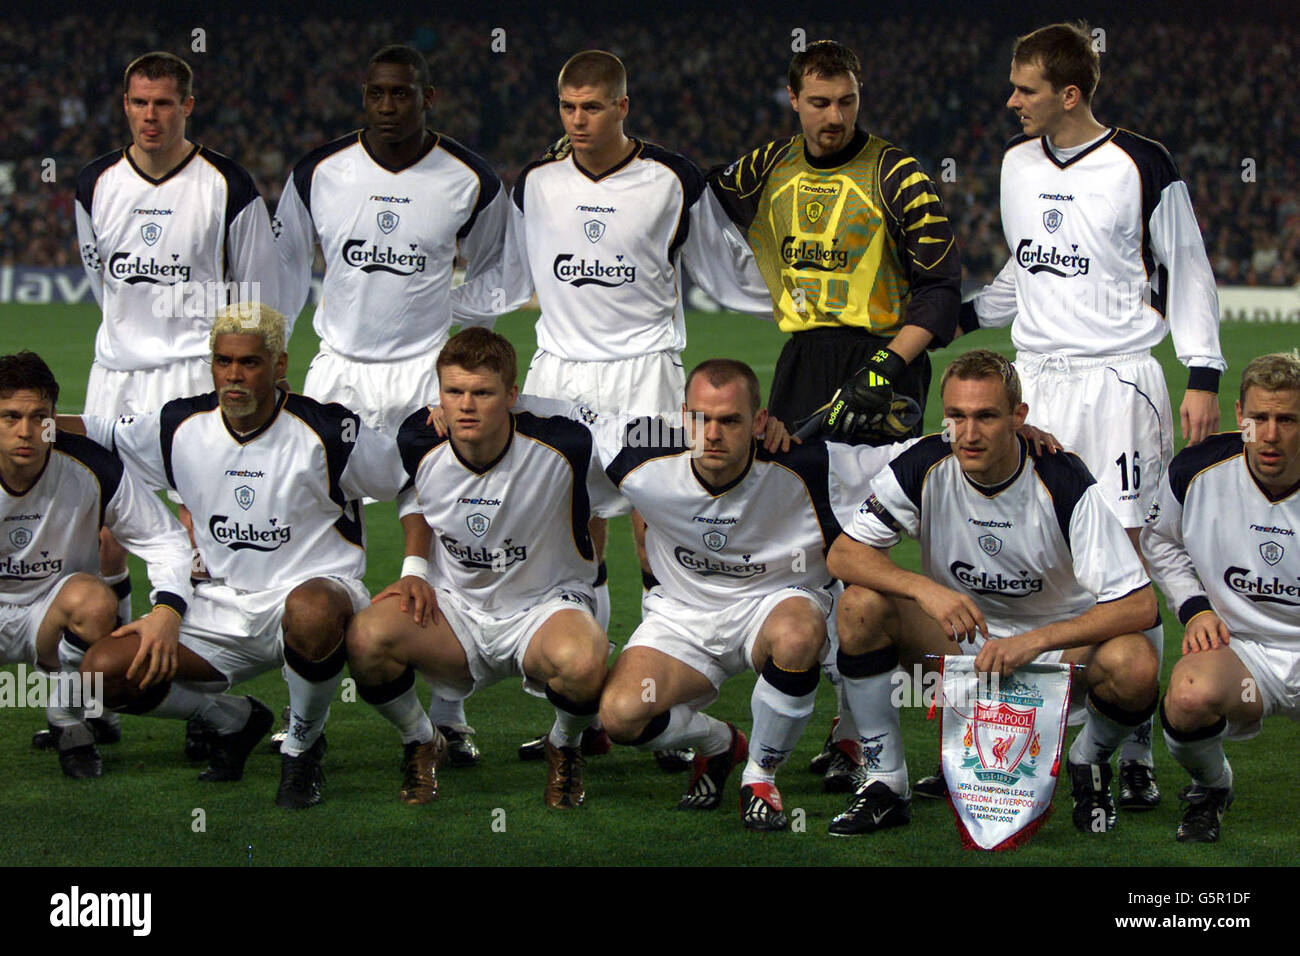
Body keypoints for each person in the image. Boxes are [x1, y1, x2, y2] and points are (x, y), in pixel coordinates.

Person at [450, 49, 769, 769]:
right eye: (567, 108)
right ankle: (580, 709)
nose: (578, 121)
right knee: (569, 535)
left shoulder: (673, 180)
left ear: (623, 107)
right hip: (559, 372)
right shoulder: (535, 182)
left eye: (592, 107)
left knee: (659, 531)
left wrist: (806, 306)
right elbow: (505, 279)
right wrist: (427, 304)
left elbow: (726, 270)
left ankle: (665, 690)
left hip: (646, 374)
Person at [960, 21, 1226, 807]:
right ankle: (1050, 713)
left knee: (1127, 560)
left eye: (1026, 89)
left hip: (1117, 384)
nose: (1011, 102)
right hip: (1035, 381)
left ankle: (1132, 746)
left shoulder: (1143, 164)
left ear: (1069, 94)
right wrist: (956, 314)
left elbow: (1189, 269)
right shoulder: (1013, 164)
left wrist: (1202, 373)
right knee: (1045, 544)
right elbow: (1023, 270)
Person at [705, 39, 961, 783]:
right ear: (794, 100)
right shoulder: (767, 166)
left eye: (846, 101)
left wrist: (887, 367)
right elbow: (696, 191)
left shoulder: (896, 171)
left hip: (884, 366)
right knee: (808, 553)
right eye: (819, 102)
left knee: (866, 562)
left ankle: (859, 737)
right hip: (800, 366)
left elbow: (941, 288)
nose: (834, 116)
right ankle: (830, 725)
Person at [69, 303, 408, 809]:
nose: (234, 375)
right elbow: (97, 431)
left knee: (312, 608)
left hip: (315, 597)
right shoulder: (179, 424)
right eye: (223, 361)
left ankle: (302, 746)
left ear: (279, 365)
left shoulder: (329, 432)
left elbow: (409, 477)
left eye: (249, 362)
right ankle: (235, 720)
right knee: (105, 671)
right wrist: (30, 424)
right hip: (221, 606)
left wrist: (417, 568)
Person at [274, 44, 509, 766]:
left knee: (441, 529)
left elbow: (502, 271)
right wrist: (279, 356)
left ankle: (450, 713)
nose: (387, 105)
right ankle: (303, 712)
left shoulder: (470, 178)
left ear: (425, 96)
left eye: (401, 94)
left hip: (420, 375)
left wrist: (451, 331)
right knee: (311, 521)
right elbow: (284, 266)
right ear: (363, 95)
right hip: (337, 369)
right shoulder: (319, 172)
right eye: (376, 93)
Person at [826, 350, 1160, 835]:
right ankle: (883, 782)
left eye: (986, 416)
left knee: (1136, 664)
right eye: (957, 416)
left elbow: (1140, 604)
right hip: (961, 648)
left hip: (1056, 658)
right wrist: (923, 590)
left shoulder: (1061, 478)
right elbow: (843, 555)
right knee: (860, 605)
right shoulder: (925, 462)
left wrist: (1037, 640)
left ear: (1018, 418)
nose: (969, 432)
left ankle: (1088, 762)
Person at [593, 359, 914, 830]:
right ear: (683, 416)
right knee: (621, 717)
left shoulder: (813, 463)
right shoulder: (636, 452)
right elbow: (556, 421)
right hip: (683, 616)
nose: (714, 433)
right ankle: (719, 742)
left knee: (798, 636)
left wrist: (1008, 431)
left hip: (777, 602)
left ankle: (760, 775)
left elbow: (914, 456)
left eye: (731, 420)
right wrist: (444, 416)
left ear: (761, 422)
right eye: (701, 419)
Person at [74, 53, 283, 760]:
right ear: (124, 104)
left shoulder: (228, 186)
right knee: (102, 533)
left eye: (164, 103)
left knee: (197, 537)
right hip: (113, 379)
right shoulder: (92, 184)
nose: (151, 116)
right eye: (139, 102)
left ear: (188, 105)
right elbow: (100, 278)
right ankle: (105, 699)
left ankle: (203, 685)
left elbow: (257, 298)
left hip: (191, 385)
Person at [345, 328, 615, 809]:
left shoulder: (569, 438)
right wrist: (414, 568)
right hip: (456, 611)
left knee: (586, 658)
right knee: (367, 638)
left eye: (483, 393)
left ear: (512, 395)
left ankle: (565, 746)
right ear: (439, 395)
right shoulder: (416, 438)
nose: (466, 405)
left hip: (544, 608)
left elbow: (646, 457)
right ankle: (421, 740)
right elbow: (408, 491)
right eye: (454, 392)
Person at [1, 351, 192, 778]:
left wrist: (167, 608)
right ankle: (99, 707)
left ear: (55, 416)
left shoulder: (91, 465)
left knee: (93, 599)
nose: (26, 432)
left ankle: (69, 720)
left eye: (39, 417)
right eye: (10, 417)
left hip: (55, 611)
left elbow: (163, 538)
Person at [1142, 352, 1300, 843]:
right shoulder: (1196, 470)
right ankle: (1213, 786)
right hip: (1243, 654)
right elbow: (1159, 541)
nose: (1269, 435)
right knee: (1189, 697)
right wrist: (1195, 608)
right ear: (1239, 416)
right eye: (1259, 419)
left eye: (1288, 420)